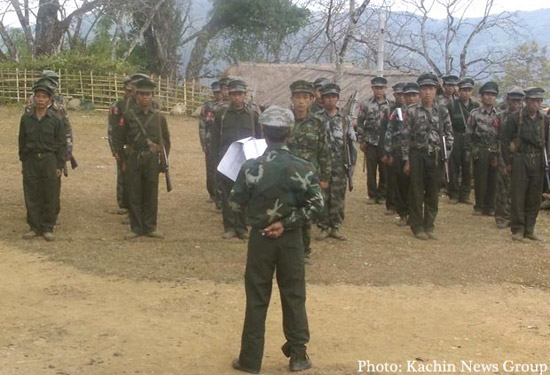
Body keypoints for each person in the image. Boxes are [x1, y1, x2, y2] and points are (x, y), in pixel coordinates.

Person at [229, 106, 324, 374]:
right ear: (290, 133)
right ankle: (297, 356)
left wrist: (260, 220)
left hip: (260, 241)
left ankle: (249, 360)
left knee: (257, 297)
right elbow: (317, 206)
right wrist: (285, 223)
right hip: (291, 241)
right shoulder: (304, 167)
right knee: (294, 296)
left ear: (263, 132)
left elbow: (234, 204)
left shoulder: (250, 167)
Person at [112, 76, 171, 239]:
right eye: (141, 94)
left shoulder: (159, 118)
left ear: (152, 96)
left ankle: (150, 227)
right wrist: (122, 160)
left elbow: (165, 141)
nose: (145, 97)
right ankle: (136, 228)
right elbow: (118, 138)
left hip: (151, 159)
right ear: (136, 95)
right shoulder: (128, 116)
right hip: (133, 158)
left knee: (151, 194)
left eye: (148, 94)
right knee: (134, 193)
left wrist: (162, 160)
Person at [402, 73, 453, 240]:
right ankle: (417, 227)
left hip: (436, 156)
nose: (427, 93)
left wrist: (446, 154)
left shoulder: (442, 111)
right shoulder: (411, 111)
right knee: (416, 192)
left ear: (435, 91)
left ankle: (429, 225)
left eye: (430, 89)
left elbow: (449, 134)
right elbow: (405, 137)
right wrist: (406, 160)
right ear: (420, 91)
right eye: (424, 89)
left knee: (433, 192)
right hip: (417, 154)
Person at [287, 80, 331, 264]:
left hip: (308, 175)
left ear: (312, 99)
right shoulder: (285, 120)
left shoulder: (318, 122)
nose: (301, 102)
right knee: (286, 212)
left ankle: (304, 252)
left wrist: (325, 176)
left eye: (305, 97)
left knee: (305, 215)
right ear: (292, 99)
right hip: (286, 174)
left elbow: (324, 150)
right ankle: (286, 252)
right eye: (298, 97)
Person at [212, 78, 261, 239]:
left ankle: (242, 228)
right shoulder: (221, 115)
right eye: (233, 94)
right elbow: (214, 140)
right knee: (227, 194)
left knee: (245, 194)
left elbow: (259, 138)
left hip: (247, 161)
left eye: (240, 94)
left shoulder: (253, 114)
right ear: (229, 94)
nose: (237, 98)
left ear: (245, 95)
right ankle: (230, 227)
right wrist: (215, 162)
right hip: (227, 161)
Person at [19, 79, 67, 241]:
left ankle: (47, 227)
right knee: (32, 193)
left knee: (49, 193)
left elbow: (61, 143)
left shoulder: (55, 120)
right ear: (33, 99)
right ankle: (34, 227)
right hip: (31, 160)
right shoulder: (26, 119)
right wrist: (24, 161)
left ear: (49, 100)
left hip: (49, 160)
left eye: (43, 97)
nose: (40, 99)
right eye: (37, 96)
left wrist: (59, 165)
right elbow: (22, 141)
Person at [502, 87, 549, 241]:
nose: (534, 104)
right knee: (518, 195)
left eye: (538, 101)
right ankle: (518, 229)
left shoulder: (544, 120)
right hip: (520, 159)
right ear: (526, 101)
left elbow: (547, 143)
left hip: (538, 160)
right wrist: (508, 162)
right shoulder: (515, 118)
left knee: (534, 197)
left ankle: (530, 229)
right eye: (532, 100)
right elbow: (504, 141)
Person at [316, 82, 357, 240]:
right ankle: (324, 226)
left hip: (340, 164)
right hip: (322, 165)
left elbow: (352, 143)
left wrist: (352, 165)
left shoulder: (345, 120)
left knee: (338, 196)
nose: (330, 100)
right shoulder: (317, 118)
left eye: (333, 97)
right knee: (322, 196)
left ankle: (336, 227)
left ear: (338, 99)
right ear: (323, 99)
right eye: (327, 97)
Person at [384, 82, 420, 226]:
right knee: (401, 184)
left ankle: (414, 214)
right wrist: (389, 152)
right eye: (408, 95)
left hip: (417, 153)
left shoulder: (423, 112)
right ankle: (403, 213)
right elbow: (389, 132)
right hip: (399, 152)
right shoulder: (397, 113)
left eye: (414, 95)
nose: (411, 98)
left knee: (415, 185)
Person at [357, 76, 393, 205]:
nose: (379, 90)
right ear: (372, 88)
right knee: (371, 171)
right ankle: (372, 195)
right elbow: (360, 122)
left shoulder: (391, 105)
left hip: (385, 144)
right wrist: (361, 140)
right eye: (376, 88)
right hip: (370, 142)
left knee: (385, 171)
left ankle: (382, 195)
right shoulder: (365, 104)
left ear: (385, 89)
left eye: (381, 88)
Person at [466, 82, 500, 216]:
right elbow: (468, 133)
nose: (489, 97)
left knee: (493, 179)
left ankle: (490, 207)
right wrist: (470, 151)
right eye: (487, 94)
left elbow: (501, 135)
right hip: (480, 149)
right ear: (482, 96)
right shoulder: (474, 114)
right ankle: (479, 206)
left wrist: (498, 151)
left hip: (494, 150)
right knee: (480, 179)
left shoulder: (499, 114)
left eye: (492, 95)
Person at [495, 87, 525, 228]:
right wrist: (495, 155)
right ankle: (502, 217)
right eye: (513, 101)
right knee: (503, 187)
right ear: (508, 100)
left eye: (519, 101)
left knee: (518, 188)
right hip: (503, 154)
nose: (516, 104)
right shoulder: (501, 116)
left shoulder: (525, 117)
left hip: (521, 156)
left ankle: (516, 217)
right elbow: (495, 137)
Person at [447, 78, 479, 204]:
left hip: (469, 138)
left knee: (467, 167)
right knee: (453, 166)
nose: (466, 93)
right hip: (455, 136)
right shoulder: (452, 105)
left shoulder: (475, 106)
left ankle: (465, 195)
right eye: (464, 90)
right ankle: (453, 194)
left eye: (469, 90)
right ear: (458, 91)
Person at [108, 76, 135, 215]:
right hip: (122, 145)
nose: (131, 93)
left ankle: (134, 206)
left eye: (133, 90)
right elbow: (112, 129)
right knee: (122, 173)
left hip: (135, 147)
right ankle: (123, 203)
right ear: (124, 89)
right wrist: (115, 149)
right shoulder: (117, 106)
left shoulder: (139, 106)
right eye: (128, 90)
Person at [381, 82, 405, 215]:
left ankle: (402, 206)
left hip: (406, 151)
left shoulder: (412, 110)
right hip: (393, 150)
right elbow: (384, 131)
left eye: (403, 94)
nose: (401, 97)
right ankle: (391, 205)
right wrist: (385, 152)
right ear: (394, 95)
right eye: (398, 94)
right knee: (391, 178)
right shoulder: (389, 110)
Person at [199, 81, 223, 205]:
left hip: (223, 143)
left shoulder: (227, 106)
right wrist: (203, 143)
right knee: (211, 169)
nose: (218, 95)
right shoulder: (208, 107)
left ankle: (221, 195)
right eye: (215, 92)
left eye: (219, 92)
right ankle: (212, 193)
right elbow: (202, 125)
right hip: (210, 142)